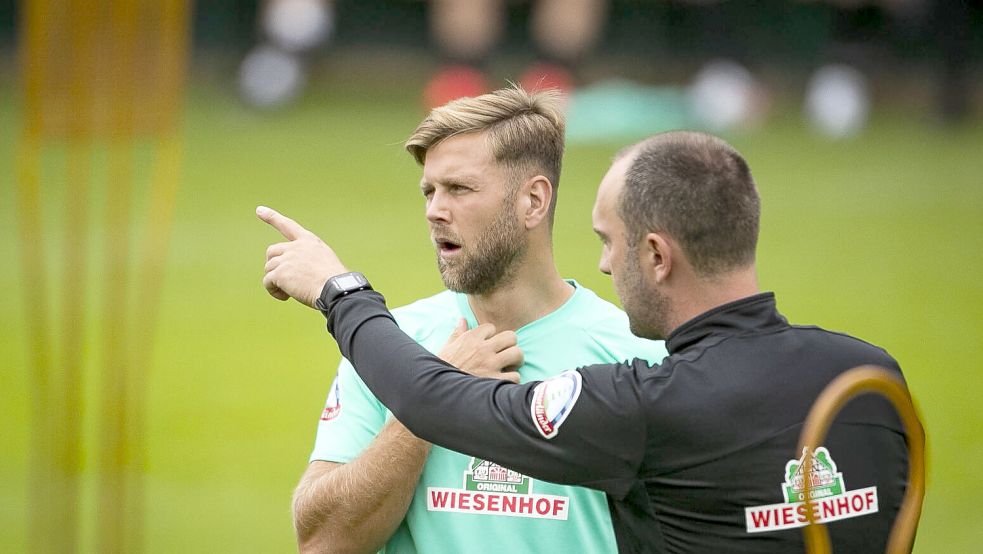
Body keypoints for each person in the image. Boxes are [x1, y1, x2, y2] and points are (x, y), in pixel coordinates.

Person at [259, 131, 913, 552]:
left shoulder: (646, 398)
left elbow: (437, 400)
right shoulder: (869, 378)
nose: (604, 265)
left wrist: (339, 292)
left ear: (656, 255)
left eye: (609, 242)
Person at [283, 86, 668, 553]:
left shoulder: (637, 355)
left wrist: (436, 392)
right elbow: (323, 541)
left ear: (533, 201)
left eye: (459, 189)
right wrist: (434, 397)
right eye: (429, 191)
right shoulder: (389, 344)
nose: (434, 211)